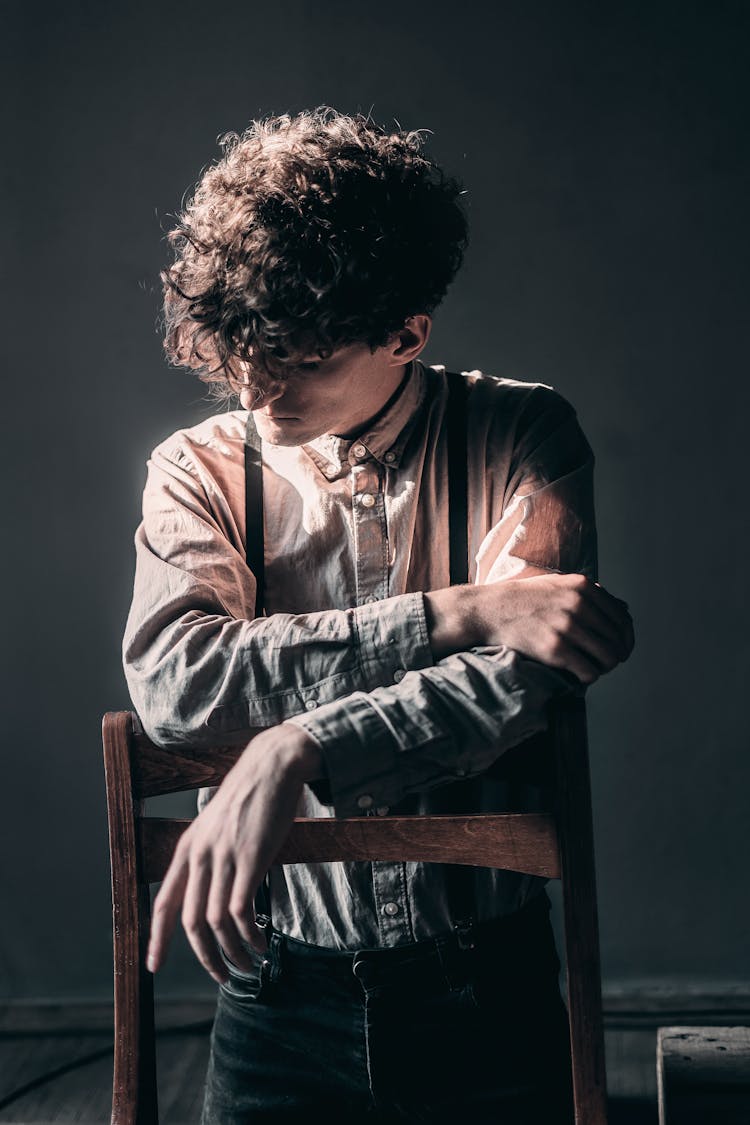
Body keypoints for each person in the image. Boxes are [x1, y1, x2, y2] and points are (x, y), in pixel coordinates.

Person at [123, 108, 634, 1123]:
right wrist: (455, 612)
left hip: (488, 995)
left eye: (302, 357)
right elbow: (178, 683)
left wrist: (299, 744)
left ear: (406, 333)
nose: (259, 388)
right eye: (244, 349)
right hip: (273, 995)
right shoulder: (198, 468)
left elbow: (522, 678)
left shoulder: (523, 433)